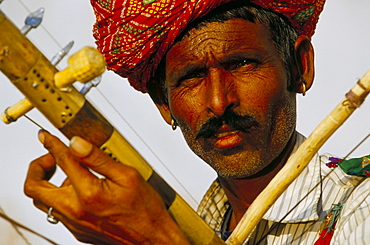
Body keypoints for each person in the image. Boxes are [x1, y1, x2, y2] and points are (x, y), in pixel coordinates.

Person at [23, 0, 370, 244]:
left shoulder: (362, 206)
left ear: (299, 67)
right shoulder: (200, 228)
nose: (219, 103)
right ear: (164, 103)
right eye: (191, 77)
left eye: (242, 64)